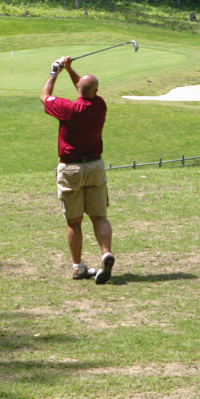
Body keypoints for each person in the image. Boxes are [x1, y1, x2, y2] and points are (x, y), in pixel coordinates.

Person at [42, 56, 115, 284]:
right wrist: (71, 70)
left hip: (71, 169)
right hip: (95, 166)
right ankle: (106, 254)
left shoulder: (68, 109)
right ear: (96, 91)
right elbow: (83, 88)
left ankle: (78, 267)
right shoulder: (99, 105)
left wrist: (55, 72)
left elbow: (44, 97)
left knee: (74, 222)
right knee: (99, 216)